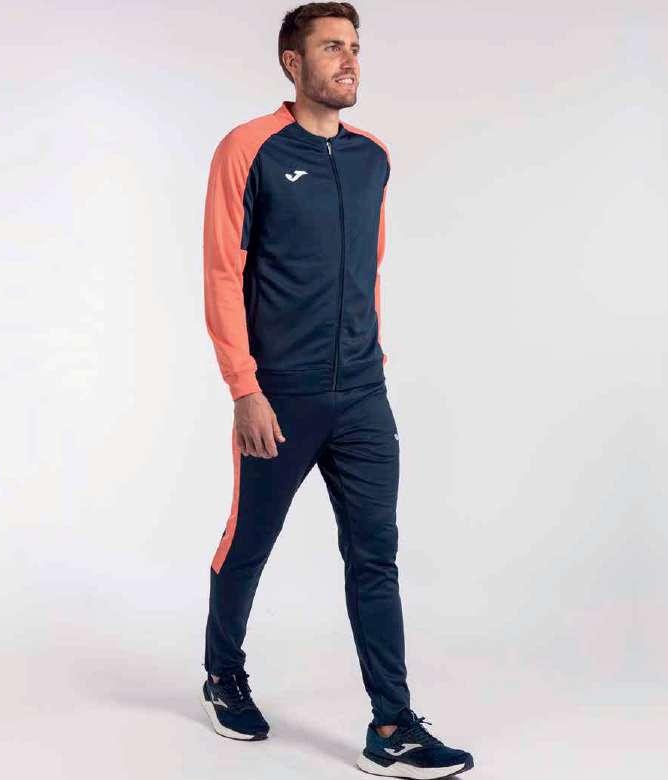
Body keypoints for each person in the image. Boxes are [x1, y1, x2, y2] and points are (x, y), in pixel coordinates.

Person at [200, 3, 474, 777]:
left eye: (354, 47)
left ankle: (392, 726)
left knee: (375, 554)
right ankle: (222, 673)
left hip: (360, 394)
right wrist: (244, 388)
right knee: (250, 541)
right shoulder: (248, 149)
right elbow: (222, 274)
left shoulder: (372, 158)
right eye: (331, 47)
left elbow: (368, 270)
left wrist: (368, 361)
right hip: (279, 397)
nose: (349, 60)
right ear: (293, 63)